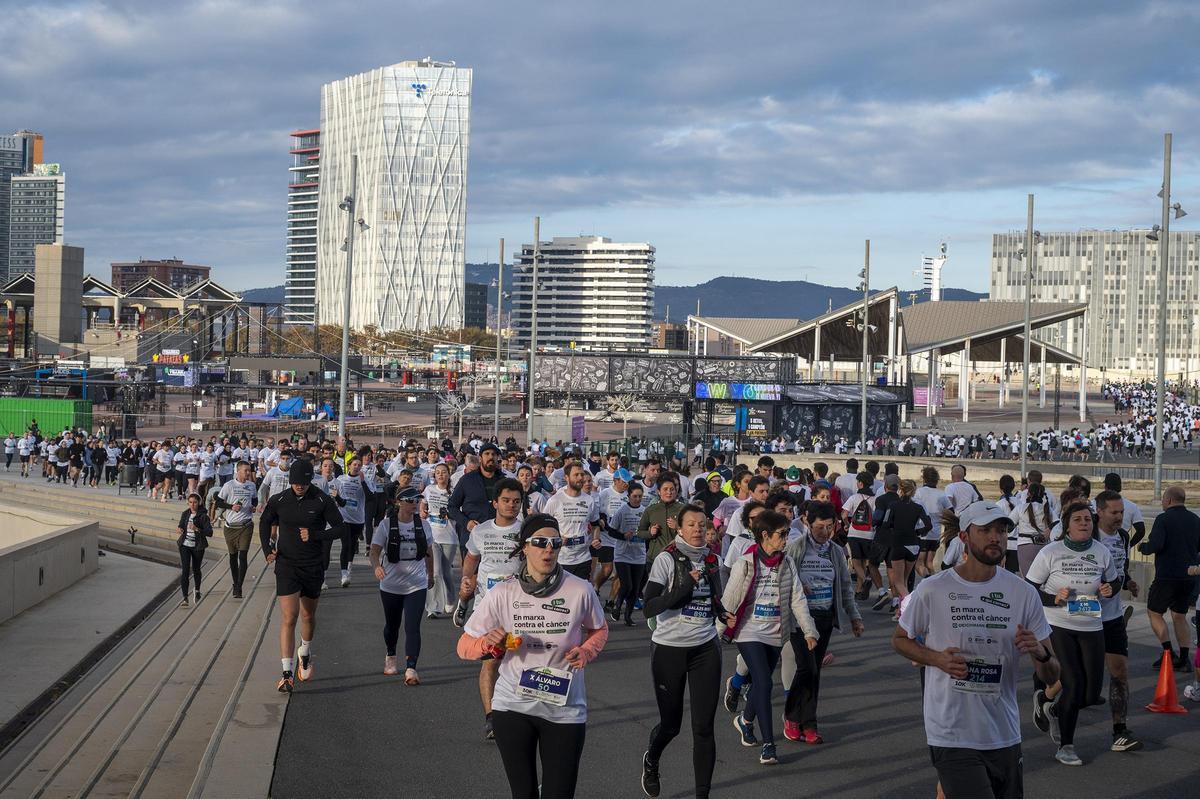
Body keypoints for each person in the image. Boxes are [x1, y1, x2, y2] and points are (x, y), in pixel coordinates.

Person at [894, 501, 1059, 798]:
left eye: (1001, 530)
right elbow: (900, 639)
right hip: (951, 731)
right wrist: (937, 659)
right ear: (965, 538)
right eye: (985, 530)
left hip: (1003, 733)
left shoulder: (1022, 593)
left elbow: (1051, 674)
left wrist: (1040, 653)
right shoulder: (934, 589)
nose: (996, 537)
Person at [457, 513, 608, 799]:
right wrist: (489, 646)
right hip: (513, 706)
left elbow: (599, 630)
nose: (548, 549)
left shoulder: (580, 590)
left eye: (554, 543)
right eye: (540, 542)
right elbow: (464, 645)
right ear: (524, 547)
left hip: (565, 709)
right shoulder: (503, 592)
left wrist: (587, 650)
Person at [641, 504, 730, 799]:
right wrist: (684, 586)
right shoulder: (666, 559)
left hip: (705, 647)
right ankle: (652, 760)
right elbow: (650, 606)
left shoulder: (712, 558)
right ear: (679, 529)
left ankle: (702, 794)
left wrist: (722, 612)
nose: (697, 530)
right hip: (670, 649)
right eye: (691, 525)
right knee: (671, 725)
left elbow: (713, 597)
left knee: (704, 728)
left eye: (702, 525)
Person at [1026, 501, 1118, 766]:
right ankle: (1066, 746)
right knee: (1074, 683)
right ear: (1066, 525)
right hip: (1058, 624)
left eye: (1088, 519)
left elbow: (1114, 580)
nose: (1084, 523)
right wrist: (1055, 597)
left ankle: (1050, 702)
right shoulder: (1050, 553)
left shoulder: (1101, 552)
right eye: (1077, 519)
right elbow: (1029, 589)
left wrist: (1109, 588)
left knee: (1090, 694)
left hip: (1091, 621)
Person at [259, 458, 346, 693]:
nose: (299, 487)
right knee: (290, 617)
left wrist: (316, 534)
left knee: (308, 615)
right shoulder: (280, 500)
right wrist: (268, 550)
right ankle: (286, 673)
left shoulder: (321, 500)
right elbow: (265, 521)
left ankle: (305, 652)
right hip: (286, 565)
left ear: (310, 481)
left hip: (312, 565)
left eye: (303, 483)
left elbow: (340, 528)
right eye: (296, 483)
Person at [783, 501, 862, 743]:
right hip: (801, 619)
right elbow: (783, 579)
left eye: (830, 527)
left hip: (825, 617)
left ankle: (808, 723)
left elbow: (846, 587)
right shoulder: (795, 548)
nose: (825, 532)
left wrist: (855, 616)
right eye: (820, 527)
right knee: (807, 668)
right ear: (807, 522)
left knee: (814, 672)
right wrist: (797, 588)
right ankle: (793, 717)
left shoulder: (836, 551)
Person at [457, 478, 526, 739]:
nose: (511, 506)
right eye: (506, 501)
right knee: (490, 663)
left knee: (519, 662)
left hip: (519, 609)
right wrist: (466, 581)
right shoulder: (481, 531)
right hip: (487, 608)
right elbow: (471, 559)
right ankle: (491, 718)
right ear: (495, 503)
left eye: (517, 501)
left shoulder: (526, 531)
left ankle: (515, 712)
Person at [1092, 490, 1143, 752]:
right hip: (1084, 613)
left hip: (1112, 615)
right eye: (1114, 512)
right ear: (1099, 511)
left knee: (1120, 672)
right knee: (1078, 679)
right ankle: (1048, 696)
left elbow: (1120, 566)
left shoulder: (1123, 536)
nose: (1120, 517)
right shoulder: (1087, 534)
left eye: (1122, 512)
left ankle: (1119, 730)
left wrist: (1128, 580)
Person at [369, 486, 433, 683]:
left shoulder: (424, 525)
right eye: (410, 500)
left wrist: (431, 574)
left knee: (412, 626)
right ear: (399, 502)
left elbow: (429, 552)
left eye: (416, 500)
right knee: (392, 625)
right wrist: (377, 567)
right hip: (391, 584)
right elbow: (374, 551)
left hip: (416, 583)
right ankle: (390, 654)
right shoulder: (386, 525)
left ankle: (411, 668)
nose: (414, 503)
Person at [1138, 485, 1200, 672]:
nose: (1163, 502)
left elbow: (1157, 544)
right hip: (1188, 577)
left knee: (1154, 613)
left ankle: (1167, 653)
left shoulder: (1163, 519)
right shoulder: (1196, 520)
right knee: (1179, 615)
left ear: (1169, 500)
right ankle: (1184, 659)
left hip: (1166, 577)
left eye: (1164, 498)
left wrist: (1143, 547)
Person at [544, 463, 600, 581]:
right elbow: (544, 527)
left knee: (580, 595)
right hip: (560, 558)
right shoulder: (555, 501)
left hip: (583, 558)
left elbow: (595, 525)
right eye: (576, 475)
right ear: (566, 478)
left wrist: (596, 539)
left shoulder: (589, 500)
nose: (580, 478)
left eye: (582, 474)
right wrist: (557, 538)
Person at [213, 460, 258, 598]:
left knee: (243, 556)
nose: (248, 473)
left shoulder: (251, 485)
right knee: (233, 556)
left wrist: (254, 506)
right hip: (231, 527)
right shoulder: (229, 485)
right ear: (237, 471)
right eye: (246, 470)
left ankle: (239, 586)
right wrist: (231, 507)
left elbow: (255, 500)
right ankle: (235, 582)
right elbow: (218, 502)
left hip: (246, 525)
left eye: (249, 470)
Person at [421, 462, 458, 618]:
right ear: (434, 475)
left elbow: (460, 512)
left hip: (449, 537)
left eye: (444, 472)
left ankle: (450, 599)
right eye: (438, 473)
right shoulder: (429, 490)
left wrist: (452, 514)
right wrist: (422, 511)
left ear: (449, 475)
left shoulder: (454, 493)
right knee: (435, 572)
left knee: (446, 572)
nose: (441, 475)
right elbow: (422, 506)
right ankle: (434, 607)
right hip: (432, 537)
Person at [609, 483, 648, 626]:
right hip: (622, 554)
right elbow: (611, 531)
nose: (637, 499)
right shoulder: (621, 511)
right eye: (634, 496)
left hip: (639, 554)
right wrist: (623, 535)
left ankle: (628, 616)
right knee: (627, 585)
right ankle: (617, 606)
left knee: (636, 587)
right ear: (628, 496)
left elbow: (648, 532)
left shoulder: (645, 511)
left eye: (640, 496)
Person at [176, 493, 213, 608]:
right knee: (185, 570)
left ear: (199, 503)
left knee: (196, 569)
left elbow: (209, 533)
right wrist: (180, 528)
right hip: (185, 545)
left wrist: (197, 529)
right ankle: (185, 598)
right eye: (190, 502)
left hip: (197, 546)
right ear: (188, 503)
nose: (192, 504)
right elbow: (181, 525)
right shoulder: (185, 513)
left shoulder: (203, 516)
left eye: (195, 502)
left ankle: (197, 590)